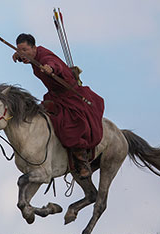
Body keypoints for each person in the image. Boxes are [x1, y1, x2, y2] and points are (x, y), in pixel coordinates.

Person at [12, 33, 104, 179]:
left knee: (69, 129)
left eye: (24, 50)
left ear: (34, 47)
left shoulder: (45, 58)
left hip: (71, 97)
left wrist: (51, 69)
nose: (22, 53)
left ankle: (82, 162)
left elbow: (54, 64)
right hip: (55, 96)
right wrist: (19, 55)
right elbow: (28, 57)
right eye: (19, 50)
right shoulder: (33, 57)